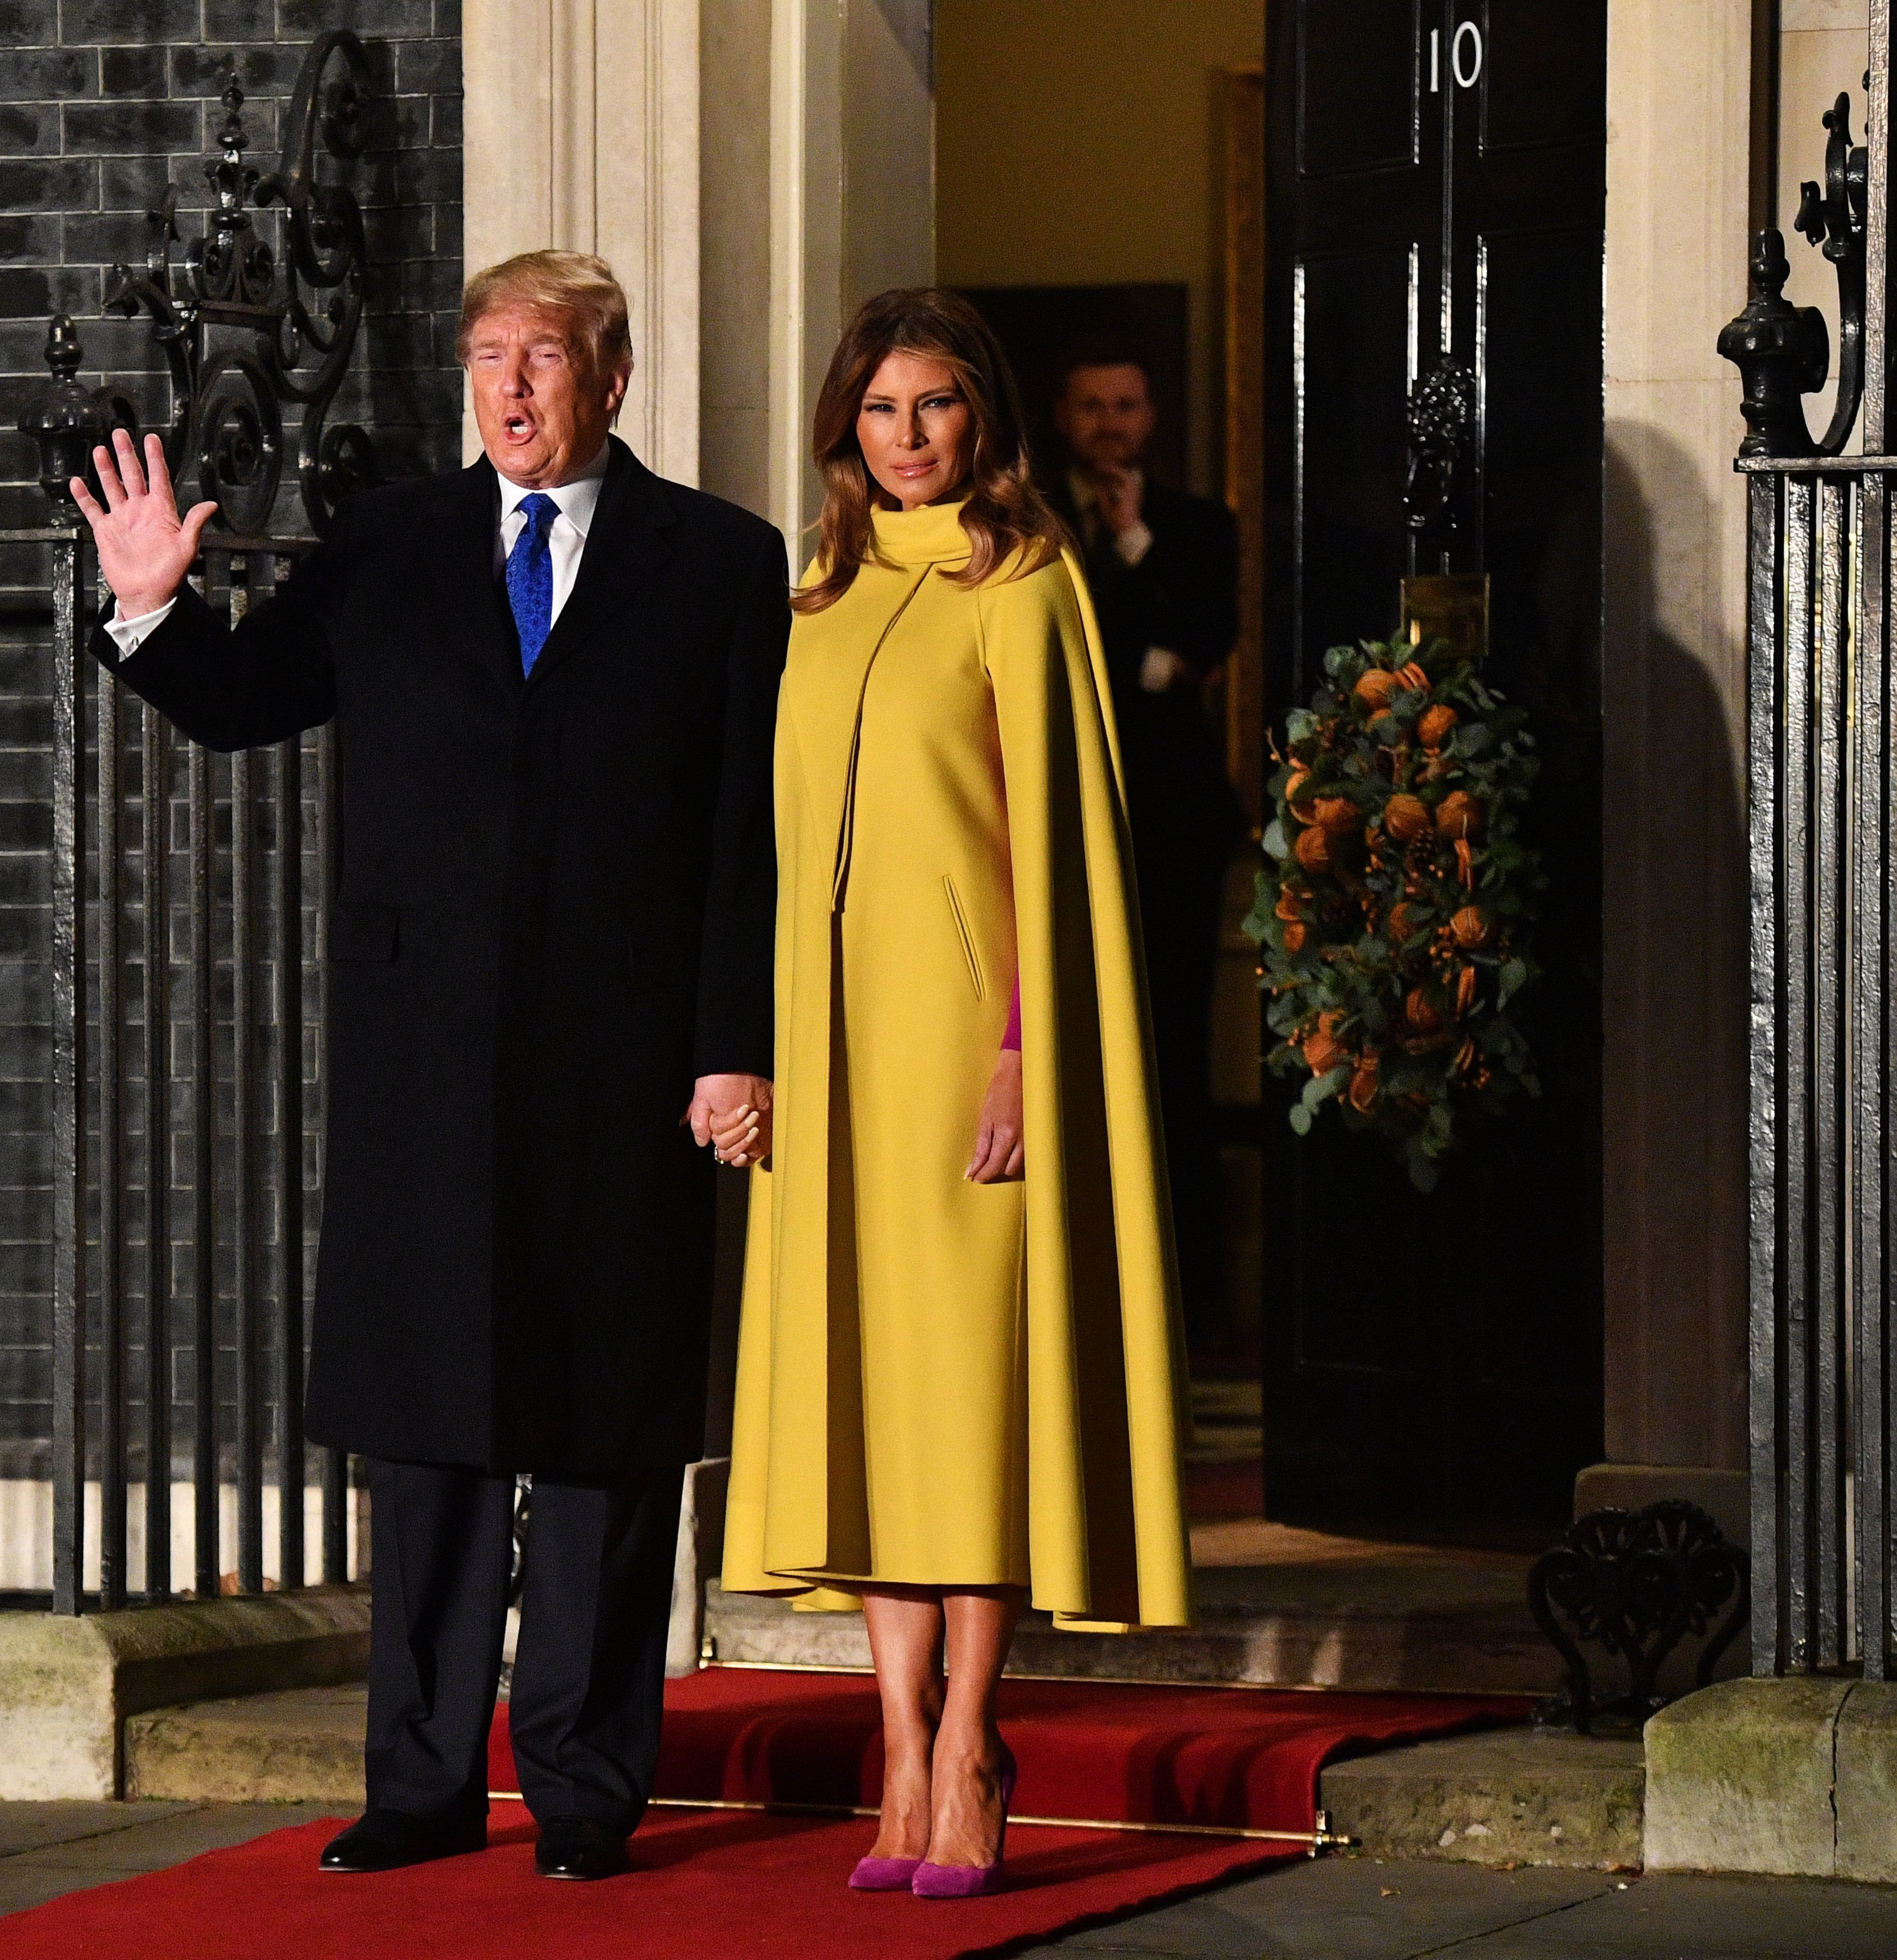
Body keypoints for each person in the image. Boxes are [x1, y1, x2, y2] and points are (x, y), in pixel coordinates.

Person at [72, 250, 789, 1884]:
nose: (512, 390)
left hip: (628, 1070)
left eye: (543, 358)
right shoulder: (390, 542)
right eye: (485, 360)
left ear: (613, 375)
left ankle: (587, 1790)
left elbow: (746, 830)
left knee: (603, 1433)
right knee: (433, 1428)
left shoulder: (719, 564)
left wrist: (728, 1049)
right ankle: (417, 1786)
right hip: (425, 1064)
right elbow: (246, 702)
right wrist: (148, 607)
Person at [721, 289, 1190, 1900]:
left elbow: (1056, 853)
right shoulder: (816, 596)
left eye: (932, 406)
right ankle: (897, 1737)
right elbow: (775, 853)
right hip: (834, 1060)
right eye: (877, 410)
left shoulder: (1030, 578)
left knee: (964, 1402)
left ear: (978, 419)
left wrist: (1018, 1048)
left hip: (963, 1059)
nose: (905, 437)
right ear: (842, 428)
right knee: (866, 1394)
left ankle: (973, 1738)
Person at [1042, 353, 1247, 1365]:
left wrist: (1131, 547)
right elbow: (1077, 658)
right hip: (1059, 818)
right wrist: (1149, 663)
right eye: (1093, 405)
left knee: (1173, 1058)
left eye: (1127, 404)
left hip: (1170, 828)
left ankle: (1189, 1303)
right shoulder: (1029, 521)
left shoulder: (1198, 525)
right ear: (1064, 414)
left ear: (1153, 413)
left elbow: (1208, 637)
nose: (1110, 422)